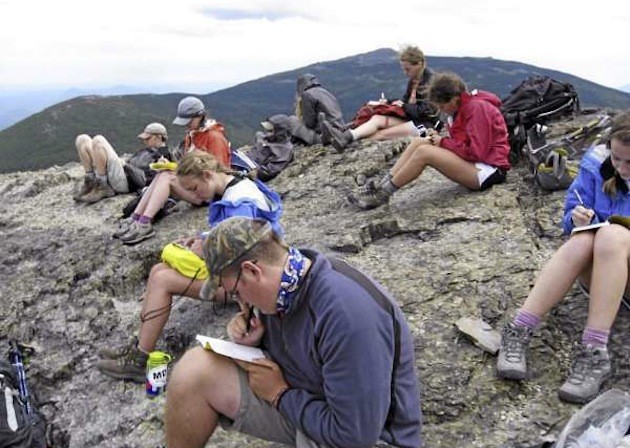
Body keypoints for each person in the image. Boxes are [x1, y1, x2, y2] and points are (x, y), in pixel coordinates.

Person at [163, 216, 422, 448]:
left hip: (362, 438)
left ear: (252, 271)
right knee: (195, 370)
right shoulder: (284, 286)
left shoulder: (346, 315)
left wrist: (279, 395)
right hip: (310, 403)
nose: (240, 301)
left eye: (235, 291)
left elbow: (354, 435)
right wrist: (255, 343)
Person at [96, 151, 283, 382]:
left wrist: (205, 249)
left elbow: (236, 258)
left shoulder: (239, 203)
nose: (195, 195)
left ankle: (140, 360)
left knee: (163, 279)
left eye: (194, 188)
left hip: (244, 286)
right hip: (244, 276)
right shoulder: (234, 186)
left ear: (207, 175)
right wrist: (202, 238)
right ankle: (140, 348)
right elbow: (230, 233)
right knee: (158, 271)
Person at [496, 112, 630, 404]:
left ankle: (595, 351)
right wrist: (576, 217)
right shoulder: (598, 163)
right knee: (582, 239)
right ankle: (519, 329)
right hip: (604, 272)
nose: (620, 168)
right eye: (616, 158)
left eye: (629, 162)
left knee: (612, 235)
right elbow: (572, 208)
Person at [347, 71, 510, 210]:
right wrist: (439, 139)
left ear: (454, 98)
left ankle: (382, 195)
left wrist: (442, 142)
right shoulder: (462, 108)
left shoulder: (476, 109)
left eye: (442, 105)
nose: (441, 110)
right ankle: (380, 186)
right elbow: (466, 144)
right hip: (477, 165)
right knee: (420, 142)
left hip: (488, 171)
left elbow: (477, 152)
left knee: (425, 153)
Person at [115, 96, 232, 245]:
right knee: (163, 174)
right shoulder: (193, 135)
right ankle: (136, 219)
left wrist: (177, 169)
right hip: (196, 187)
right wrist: (171, 165)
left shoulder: (214, 137)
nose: (186, 126)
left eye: (189, 121)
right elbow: (189, 164)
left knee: (168, 178)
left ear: (200, 116)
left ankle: (144, 223)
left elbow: (219, 172)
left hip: (208, 192)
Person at [321, 45, 439, 152]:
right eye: (404, 69)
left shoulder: (431, 82)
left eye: (407, 69)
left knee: (381, 134)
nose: (405, 72)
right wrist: (389, 102)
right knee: (377, 118)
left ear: (419, 63)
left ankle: (345, 142)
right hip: (412, 119)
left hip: (424, 125)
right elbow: (405, 101)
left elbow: (426, 112)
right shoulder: (414, 81)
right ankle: (346, 136)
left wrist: (403, 106)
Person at [73, 122, 172, 204]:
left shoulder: (162, 156)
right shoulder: (148, 150)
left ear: (158, 137)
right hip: (120, 174)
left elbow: (144, 181)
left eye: (147, 138)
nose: (144, 141)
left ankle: (103, 186)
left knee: (99, 140)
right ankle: (90, 181)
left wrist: (124, 165)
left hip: (126, 182)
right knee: (82, 139)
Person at [287, 73, 345, 146]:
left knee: (292, 120)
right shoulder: (326, 92)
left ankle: (319, 139)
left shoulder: (307, 95)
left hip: (323, 134)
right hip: (339, 129)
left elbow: (309, 123)